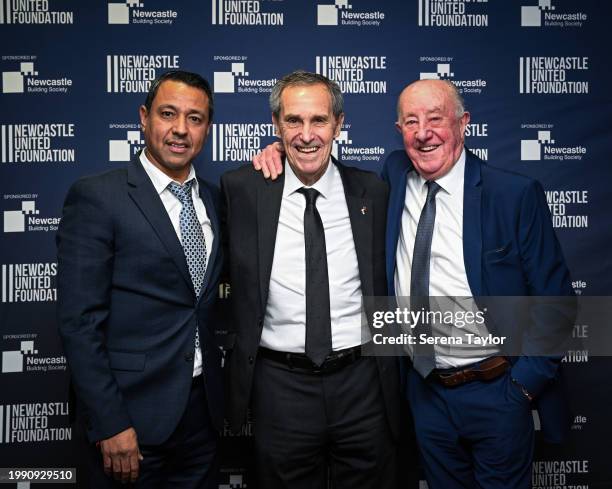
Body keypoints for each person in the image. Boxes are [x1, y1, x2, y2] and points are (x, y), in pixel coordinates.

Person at [252, 79, 575, 489]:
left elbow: (557, 302)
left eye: (435, 119)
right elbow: (313, 152)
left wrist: (522, 389)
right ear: (399, 130)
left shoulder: (513, 194)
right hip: (424, 393)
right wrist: (283, 148)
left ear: (464, 123)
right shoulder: (394, 175)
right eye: (410, 122)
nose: (423, 133)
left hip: (496, 388)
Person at [221, 70, 400, 489]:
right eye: (293, 121)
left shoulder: (373, 191)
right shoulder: (242, 189)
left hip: (363, 382)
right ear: (276, 125)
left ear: (338, 124)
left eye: (318, 120)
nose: (306, 135)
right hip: (280, 386)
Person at [57, 70, 224, 488]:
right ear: (144, 117)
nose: (180, 130)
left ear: (207, 128)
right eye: (168, 114)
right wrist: (110, 423)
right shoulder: (98, 196)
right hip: (130, 421)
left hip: (203, 417)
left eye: (195, 118)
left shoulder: (217, 199)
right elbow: (79, 322)